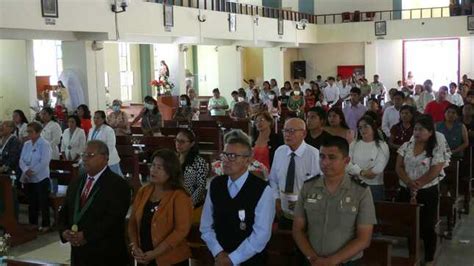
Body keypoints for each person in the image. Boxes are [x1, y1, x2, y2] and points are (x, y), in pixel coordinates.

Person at [293, 136, 376, 266]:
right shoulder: (308, 187)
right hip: (312, 262)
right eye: (322, 156)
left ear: (346, 160)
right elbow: (298, 229)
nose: (325, 162)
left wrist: (331, 261)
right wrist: (313, 258)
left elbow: (364, 239)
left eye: (332, 157)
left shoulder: (360, 191)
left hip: (345, 263)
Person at [200, 131, 275, 265]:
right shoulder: (215, 184)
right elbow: (206, 226)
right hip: (219, 257)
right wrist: (219, 253)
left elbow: (261, 235)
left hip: (249, 260)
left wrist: (232, 259)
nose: (226, 160)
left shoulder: (262, 190)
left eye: (233, 156)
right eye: (225, 155)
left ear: (248, 160)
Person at [58, 140, 131, 266]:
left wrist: (86, 235)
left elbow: (113, 219)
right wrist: (64, 231)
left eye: (90, 155)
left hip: (105, 253)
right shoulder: (77, 181)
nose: (85, 159)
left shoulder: (118, 185)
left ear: (105, 158)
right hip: (78, 254)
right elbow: (65, 210)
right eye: (83, 155)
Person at [396, 115, 451, 265]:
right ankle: (412, 255)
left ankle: (428, 258)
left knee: (427, 226)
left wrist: (418, 184)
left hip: (427, 191)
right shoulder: (407, 146)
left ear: (430, 132)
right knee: (409, 225)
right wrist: (408, 182)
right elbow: (399, 166)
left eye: (421, 129)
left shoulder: (435, 149)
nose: (417, 132)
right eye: (415, 129)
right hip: (406, 189)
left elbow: (435, 170)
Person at [128, 149, 192, 266]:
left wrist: (155, 253)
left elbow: (181, 231)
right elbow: (132, 222)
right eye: (153, 165)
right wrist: (135, 247)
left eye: (159, 168)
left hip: (171, 260)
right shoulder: (144, 191)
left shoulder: (179, 196)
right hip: (144, 257)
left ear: (170, 172)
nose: (153, 170)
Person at [269, 118, 321, 229]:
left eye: (292, 131)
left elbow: (321, 188)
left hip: (307, 216)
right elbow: (273, 179)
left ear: (304, 133)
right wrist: (276, 198)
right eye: (285, 131)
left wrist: (303, 203)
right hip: (283, 213)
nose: (287, 135)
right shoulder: (279, 152)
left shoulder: (314, 155)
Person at [347, 116, 389, 201]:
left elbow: (378, 169)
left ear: (373, 127)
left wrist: (356, 172)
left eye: (366, 126)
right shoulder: (354, 144)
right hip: (355, 184)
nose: (362, 129)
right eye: (360, 127)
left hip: (374, 187)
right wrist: (361, 172)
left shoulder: (381, 145)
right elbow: (347, 163)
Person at [19, 122, 52, 232]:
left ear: (38, 132)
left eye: (31, 131)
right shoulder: (27, 144)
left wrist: (32, 171)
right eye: (27, 131)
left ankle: (46, 224)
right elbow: (21, 160)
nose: (28, 134)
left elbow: (44, 162)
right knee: (32, 202)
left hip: (41, 177)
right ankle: (33, 224)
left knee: (43, 202)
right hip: (28, 178)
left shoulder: (45, 144)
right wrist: (25, 170)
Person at [175, 129, 209, 207]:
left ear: (192, 144)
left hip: (190, 202)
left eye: (182, 142)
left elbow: (201, 187)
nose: (178, 144)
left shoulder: (199, 162)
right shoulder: (173, 159)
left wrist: (189, 203)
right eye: (177, 140)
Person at [88, 111, 123, 177]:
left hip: (109, 160)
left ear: (103, 119)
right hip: (96, 159)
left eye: (98, 118)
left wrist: (101, 155)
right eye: (94, 118)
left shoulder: (108, 130)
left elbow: (111, 146)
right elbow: (89, 144)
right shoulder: (91, 130)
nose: (95, 120)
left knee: (115, 179)